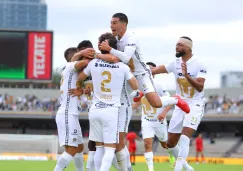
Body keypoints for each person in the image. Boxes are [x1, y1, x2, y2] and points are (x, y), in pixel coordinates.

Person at [97, 12, 190, 114]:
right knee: (117, 97)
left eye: (114, 23)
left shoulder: (131, 38)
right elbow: (113, 56)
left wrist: (109, 49)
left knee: (156, 103)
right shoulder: (114, 39)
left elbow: (126, 58)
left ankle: (175, 99)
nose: (111, 26)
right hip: (129, 76)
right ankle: (122, 123)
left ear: (123, 25)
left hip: (142, 75)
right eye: (111, 23)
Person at [78, 35, 139, 171]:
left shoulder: (93, 63)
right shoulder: (122, 66)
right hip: (111, 110)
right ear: (115, 48)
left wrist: (82, 88)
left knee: (99, 147)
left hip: (95, 109)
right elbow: (135, 85)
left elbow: (81, 77)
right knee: (111, 148)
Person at [152, 36, 207, 171]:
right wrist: (139, 71)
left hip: (195, 104)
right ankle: (188, 168)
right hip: (180, 104)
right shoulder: (174, 63)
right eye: (176, 45)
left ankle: (178, 169)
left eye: (180, 45)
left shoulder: (199, 64)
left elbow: (200, 87)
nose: (177, 47)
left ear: (188, 48)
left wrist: (187, 76)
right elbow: (155, 70)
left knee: (184, 138)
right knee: (170, 144)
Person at [54, 47, 95, 171]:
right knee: (71, 149)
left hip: (72, 114)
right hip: (67, 113)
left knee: (79, 147)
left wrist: (83, 91)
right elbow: (86, 62)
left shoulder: (73, 74)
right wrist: (84, 53)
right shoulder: (70, 67)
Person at [132, 62, 175, 171]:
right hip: (146, 120)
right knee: (147, 144)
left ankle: (171, 154)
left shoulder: (159, 85)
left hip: (159, 120)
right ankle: (151, 169)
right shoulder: (138, 86)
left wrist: (163, 113)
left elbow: (170, 101)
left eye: (150, 69)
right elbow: (137, 103)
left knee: (165, 144)